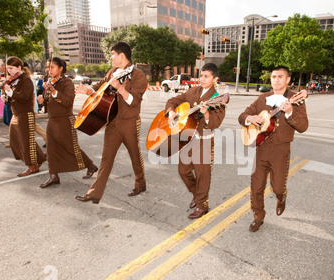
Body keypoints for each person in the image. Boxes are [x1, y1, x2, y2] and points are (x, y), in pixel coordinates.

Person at [74, 41, 149, 204]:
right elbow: (99, 88)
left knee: (134, 155)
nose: (110, 57)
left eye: (112, 54)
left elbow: (134, 101)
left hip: (129, 122)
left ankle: (140, 183)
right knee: (106, 158)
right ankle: (94, 193)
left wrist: (120, 88)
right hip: (112, 122)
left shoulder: (138, 75)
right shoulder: (112, 72)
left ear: (121, 55)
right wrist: (87, 91)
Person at [238, 66, 309, 232]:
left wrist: (290, 112)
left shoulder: (294, 98)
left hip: (280, 149)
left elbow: (303, 126)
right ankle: (258, 216)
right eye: (274, 77)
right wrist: (250, 118)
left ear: (288, 80)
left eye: (280, 77)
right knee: (256, 187)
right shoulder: (263, 98)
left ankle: (281, 196)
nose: (276, 80)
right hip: (261, 148)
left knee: (277, 187)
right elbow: (242, 116)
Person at [165, 63, 226, 219]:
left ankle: (202, 205)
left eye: (206, 76)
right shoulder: (193, 91)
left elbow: (215, 122)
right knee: (183, 171)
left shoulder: (217, 98)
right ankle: (196, 194)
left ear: (215, 79)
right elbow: (174, 100)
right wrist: (171, 111)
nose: (202, 79)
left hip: (204, 142)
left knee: (202, 175)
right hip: (188, 139)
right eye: (201, 75)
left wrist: (206, 114)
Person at [37, 57, 98, 188]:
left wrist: (53, 91)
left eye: (52, 67)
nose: (49, 70)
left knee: (70, 148)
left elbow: (67, 102)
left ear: (60, 68)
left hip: (64, 120)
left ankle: (90, 165)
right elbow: (48, 99)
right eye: (48, 67)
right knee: (51, 148)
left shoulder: (67, 83)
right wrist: (42, 98)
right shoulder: (49, 82)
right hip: (52, 120)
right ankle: (53, 175)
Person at [2, 56, 46, 177]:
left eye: (11, 68)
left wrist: (10, 92)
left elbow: (23, 97)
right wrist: (6, 98)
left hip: (25, 114)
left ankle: (32, 166)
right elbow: (15, 98)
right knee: (15, 140)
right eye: (8, 68)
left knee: (25, 141)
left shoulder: (25, 80)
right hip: (16, 114)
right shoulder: (15, 81)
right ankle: (41, 157)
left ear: (19, 67)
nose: (9, 71)